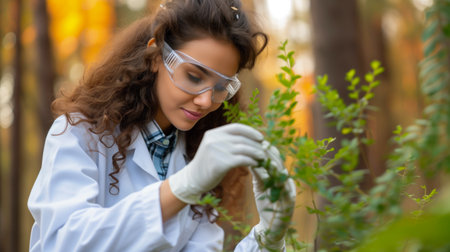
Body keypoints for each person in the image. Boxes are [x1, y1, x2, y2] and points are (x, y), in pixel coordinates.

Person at [27, 0, 296, 251]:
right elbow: (61, 241)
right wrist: (179, 189)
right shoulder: (81, 133)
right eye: (193, 76)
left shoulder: (194, 156)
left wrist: (268, 236)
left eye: (221, 87)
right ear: (157, 56)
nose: (205, 100)